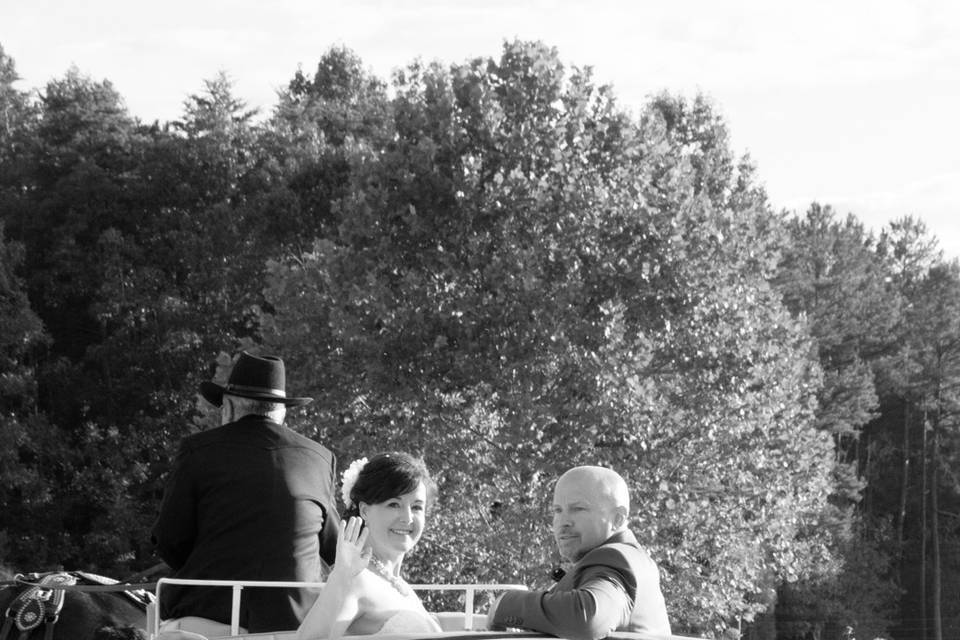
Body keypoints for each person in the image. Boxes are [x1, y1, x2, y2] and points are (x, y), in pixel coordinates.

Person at [152, 351, 339, 635]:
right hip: (295, 627)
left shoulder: (197, 450)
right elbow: (333, 546)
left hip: (207, 620)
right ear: (283, 411)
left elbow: (170, 541)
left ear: (227, 407)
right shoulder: (320, 458)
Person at [487, 465, 671, 640]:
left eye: (578, 509)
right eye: (557, 510)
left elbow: (588, 617)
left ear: (617, 518)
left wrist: (506, 604)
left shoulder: (615, 559)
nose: (562, 522)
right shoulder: (628, 558)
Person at [296, 452, 442, 640]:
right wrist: (340, 576)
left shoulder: (401, 587)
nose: (407, 518)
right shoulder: (355, 580)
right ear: (365, 510)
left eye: (416, 507)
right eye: (393, 504)